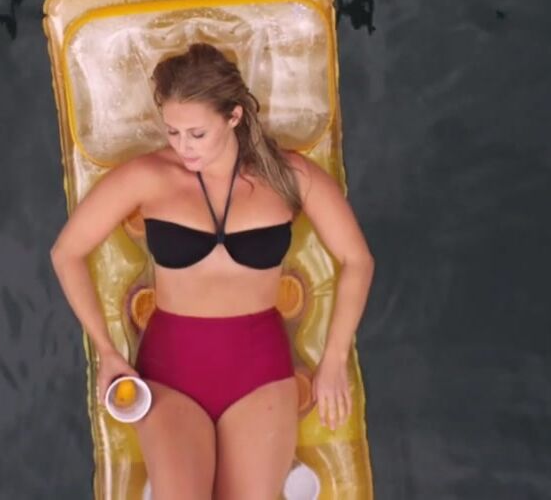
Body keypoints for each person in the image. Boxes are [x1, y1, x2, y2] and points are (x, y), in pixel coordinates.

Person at [50, 43, 374, 500]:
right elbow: (66, 252)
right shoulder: (148, 176)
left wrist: (334, 360)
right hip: (171, 371)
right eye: (172, 131)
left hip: (260, 371)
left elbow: (358, 260)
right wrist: (107, 351)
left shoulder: (289, 176)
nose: (182, 146)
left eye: (196, 134)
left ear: (234, 117)